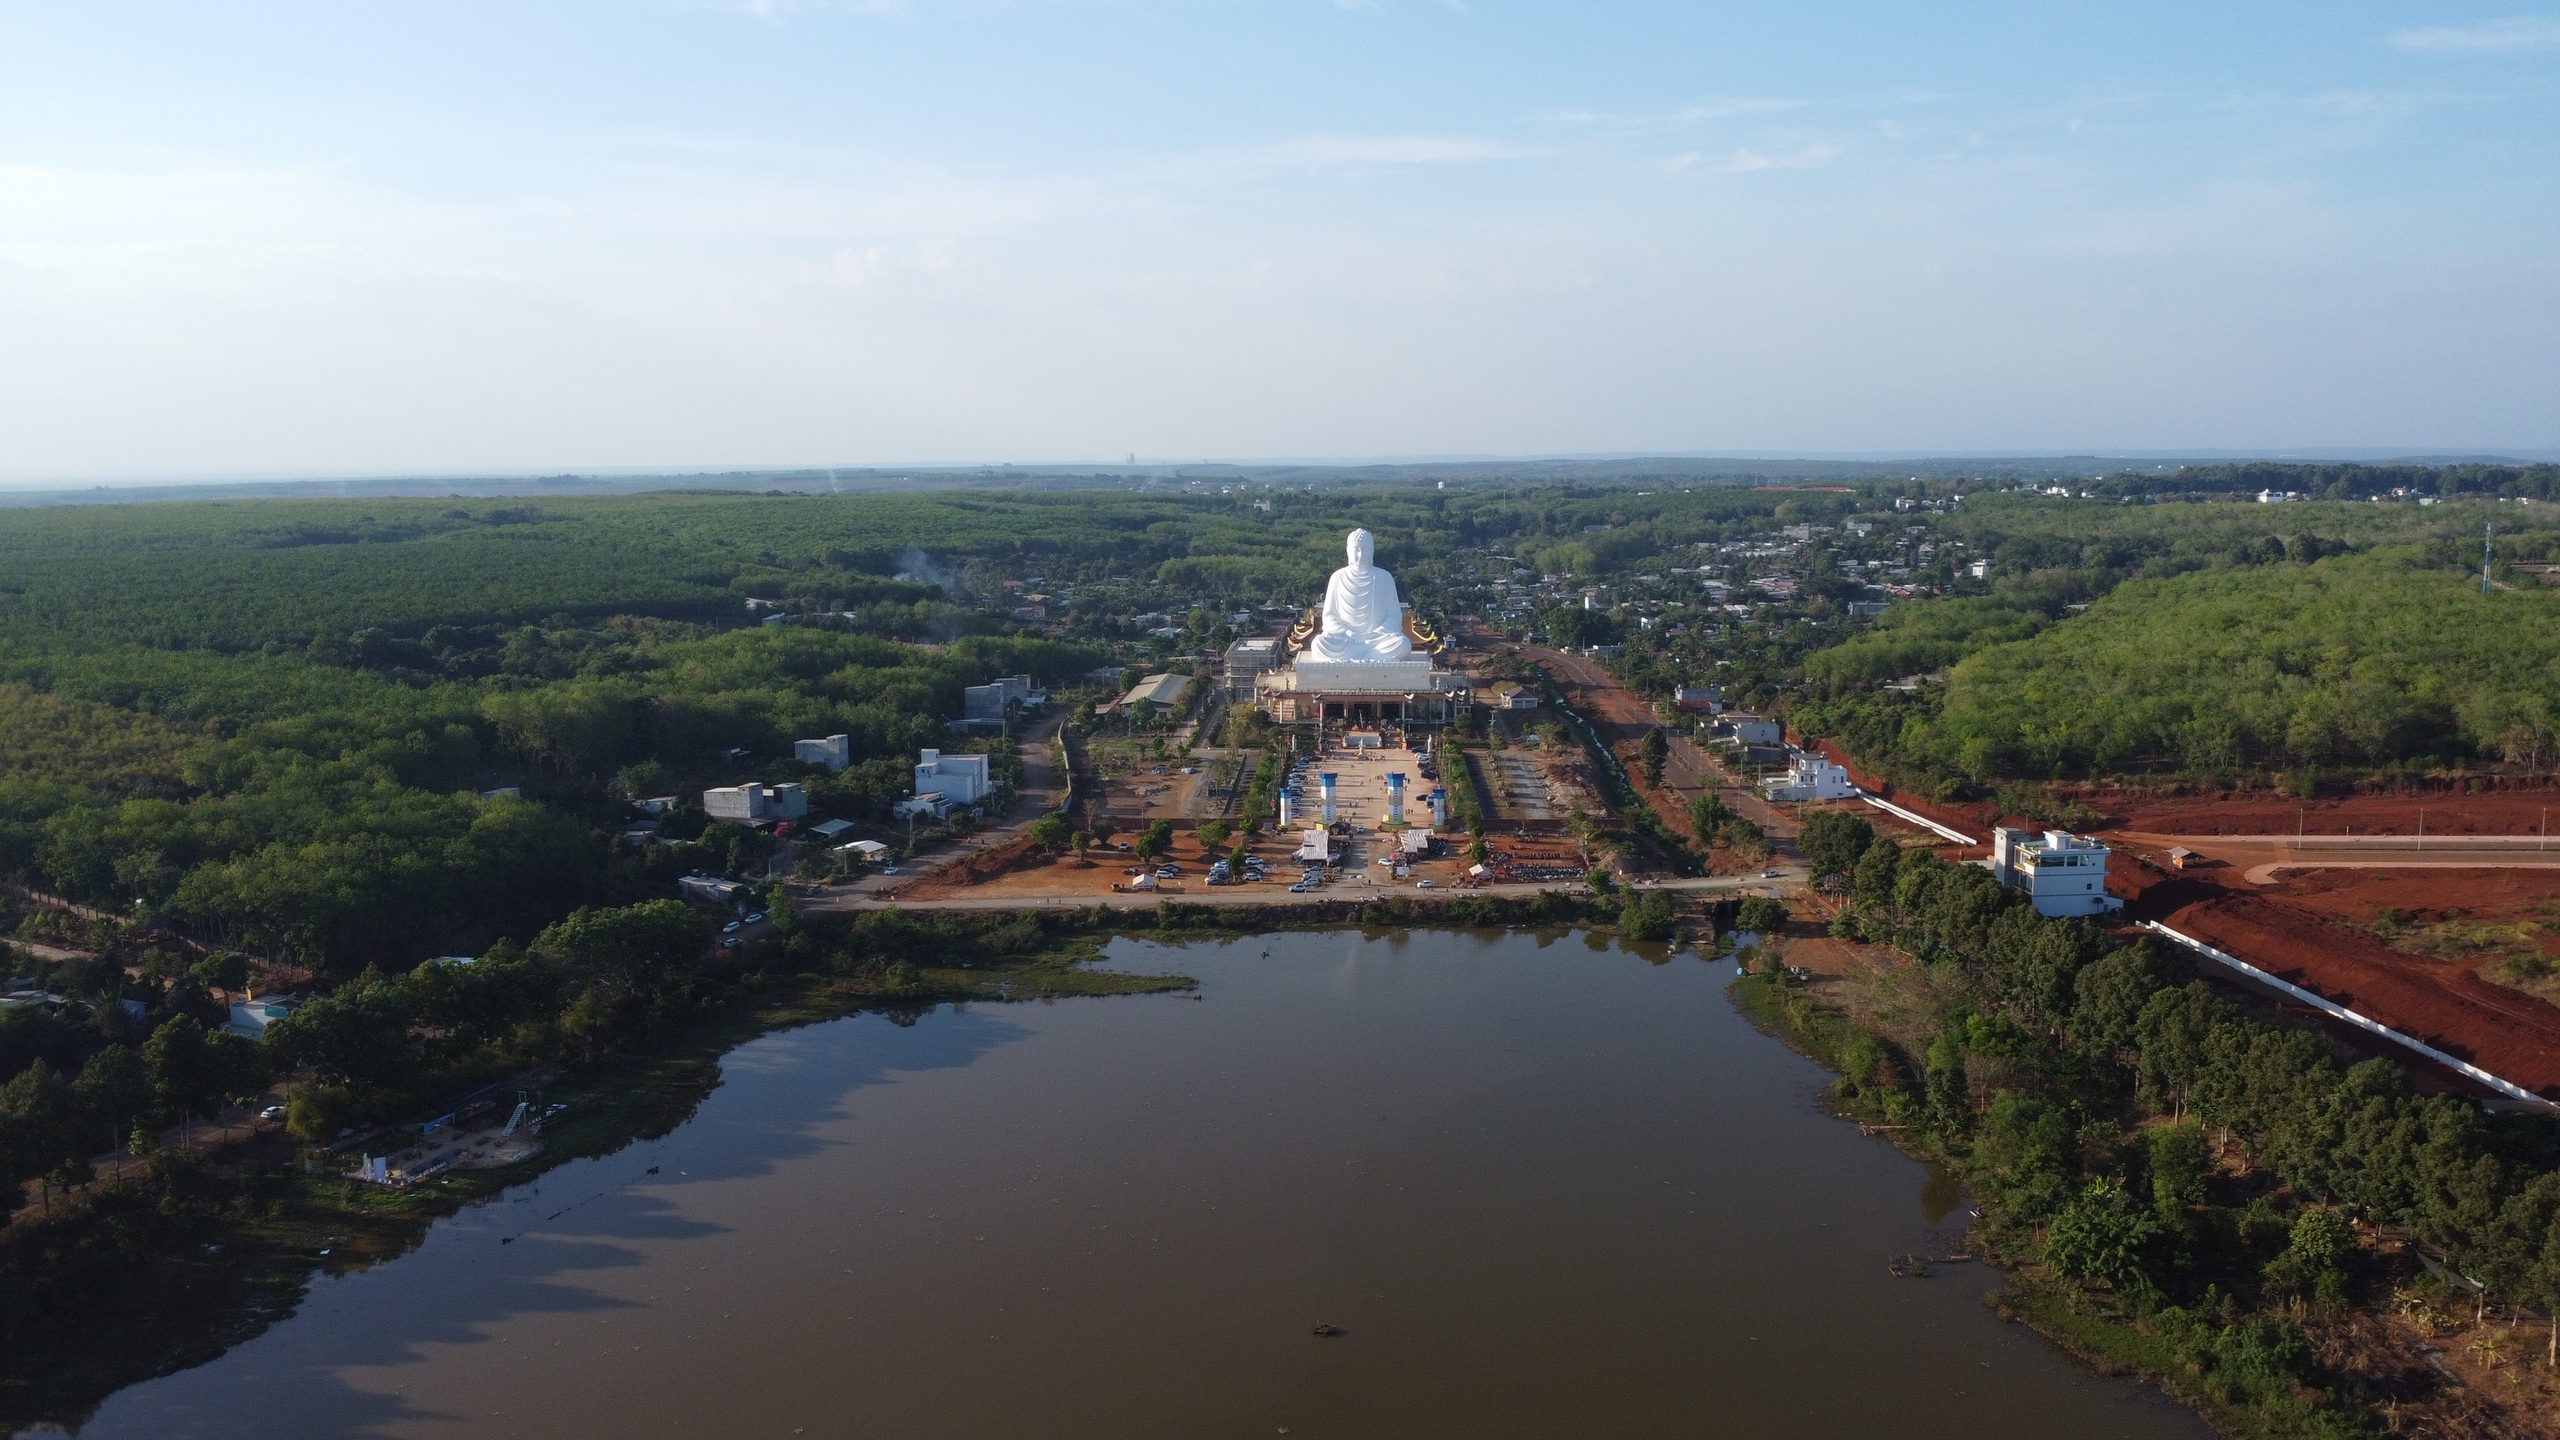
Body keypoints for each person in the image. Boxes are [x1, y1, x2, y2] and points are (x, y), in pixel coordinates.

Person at [1305, 529, 1414, 662]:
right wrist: (1347, 632)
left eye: (1365, 550)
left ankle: (1363, 658)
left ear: (1372, 551)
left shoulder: (1384, 577)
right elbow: (1329, 615)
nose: (1360, 555)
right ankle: (1370, 658)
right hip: (1346, 639)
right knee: (1318, 643)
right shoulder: (1338, 577)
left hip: (1377, 640)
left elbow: (1394, 616)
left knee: (1403, 644)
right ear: (1348, 551)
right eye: (1356, 550)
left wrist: (1375, 634)